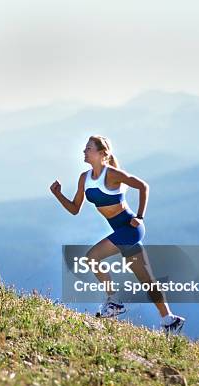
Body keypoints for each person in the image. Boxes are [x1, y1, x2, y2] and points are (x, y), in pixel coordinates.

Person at [50, 135, 185, 334]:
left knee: (92, 257)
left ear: (101, 153)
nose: (84, 151)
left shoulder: (112, 174)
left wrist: (140, 216)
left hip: (130, 229)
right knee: (146, 279)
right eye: (85, 148)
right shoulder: (84, 178)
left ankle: (114, 301)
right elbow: (74, 209)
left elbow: (142, 186)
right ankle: (169, 320)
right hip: (120, 232)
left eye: (88, 148)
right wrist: (58, 194)